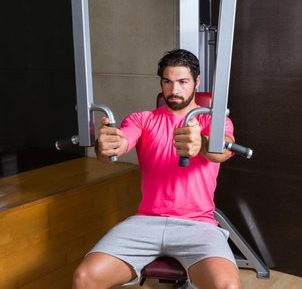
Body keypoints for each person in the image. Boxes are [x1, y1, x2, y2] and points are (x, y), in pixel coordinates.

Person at [72, 49, 240, 289]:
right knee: (84, 278)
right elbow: (121, 142)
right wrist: (107, 147)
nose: (174, 90)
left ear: (197, 82)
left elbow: (222, 150)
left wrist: (201, 144)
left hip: (198, 226)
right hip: (145, 223)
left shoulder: (212, 121)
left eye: (183, 82)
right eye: (167, 82)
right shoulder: (142, 119)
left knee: (227, 287)